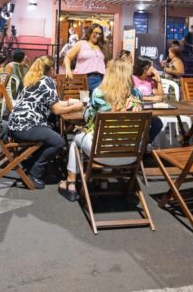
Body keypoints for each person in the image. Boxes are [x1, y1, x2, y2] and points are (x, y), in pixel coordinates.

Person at [59, 58, 143, 201]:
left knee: (75, 141)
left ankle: (71, 183)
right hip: (131, 153)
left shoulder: (99, 92)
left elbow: (88, 118)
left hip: (102, 153)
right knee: (112, 137)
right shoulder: (137, 94)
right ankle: (103, 182)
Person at [8, 56, 83, 189]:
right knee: (59, 142)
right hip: (27, 126)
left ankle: (30, 163)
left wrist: (70, 102)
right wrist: (76, 107)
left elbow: (52, 103)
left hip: (16, 125)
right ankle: (35, 170)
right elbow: (57, 110)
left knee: (52, 135)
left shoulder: (31, 80)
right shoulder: (48, 81)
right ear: (51, 69)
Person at [64, 23, 107, 92]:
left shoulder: (101, 47)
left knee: (96, 102)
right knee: (82, 101)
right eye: (95, 33)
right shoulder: (81, 43)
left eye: (100, 34)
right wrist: (68, 70)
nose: (98, 36)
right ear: (90, 32)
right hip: (83, 79)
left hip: (99, 80)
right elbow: (68, 57)